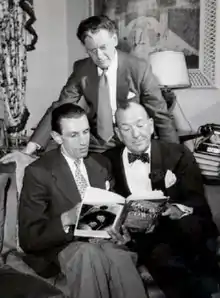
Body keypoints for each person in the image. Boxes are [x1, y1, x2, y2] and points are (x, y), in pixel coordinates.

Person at [1, 14, 178, 166]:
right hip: (96, 141)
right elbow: (60, 107)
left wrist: (175, 158)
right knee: (51, 164)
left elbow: (160, 116)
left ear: (115, 40)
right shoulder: (82, 69)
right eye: (92, 51)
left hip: (131, 138)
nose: (99, 56)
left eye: (103, 48)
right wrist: (28, 150)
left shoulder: (139, 68)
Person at [18, 103, 147, 298]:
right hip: (62, 246)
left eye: (86, 132)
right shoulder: (39, 172)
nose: (83, 141)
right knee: (88, 254)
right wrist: (66, 218)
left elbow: (114, 211)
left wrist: (123, 231)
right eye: (73, 135)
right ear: (57, 137)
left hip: (101, 240)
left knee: (120, 256)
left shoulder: (100, 164)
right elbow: (29, 238)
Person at [105, 101, 220, 298]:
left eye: (140, 125)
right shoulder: (106, 161)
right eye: (126, 128)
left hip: (183, 232)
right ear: (117, 132)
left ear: (151, 125)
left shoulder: (178, 153)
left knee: (186, 227)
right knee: (160, 254)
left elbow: (197, 201)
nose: (136, 134)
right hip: (142, 239)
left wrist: (178, 208)